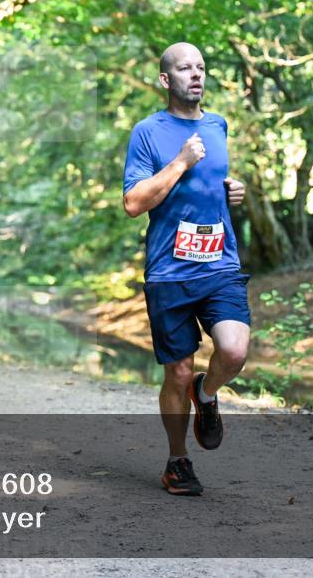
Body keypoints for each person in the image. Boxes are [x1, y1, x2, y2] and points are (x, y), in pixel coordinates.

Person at [122, 42, 250, 496]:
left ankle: (207, 393)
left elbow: (209, 186)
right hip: (170, 272)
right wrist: (180, 162)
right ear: (166, 79)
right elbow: (133, 203)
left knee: (233, 352)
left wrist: (231, 191)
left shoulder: (218, 125)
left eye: (201, 67)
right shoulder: (147, 132)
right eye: (184, 68)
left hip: (219, 263)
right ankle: (178, 461)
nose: (196, 75)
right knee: (176, 371)